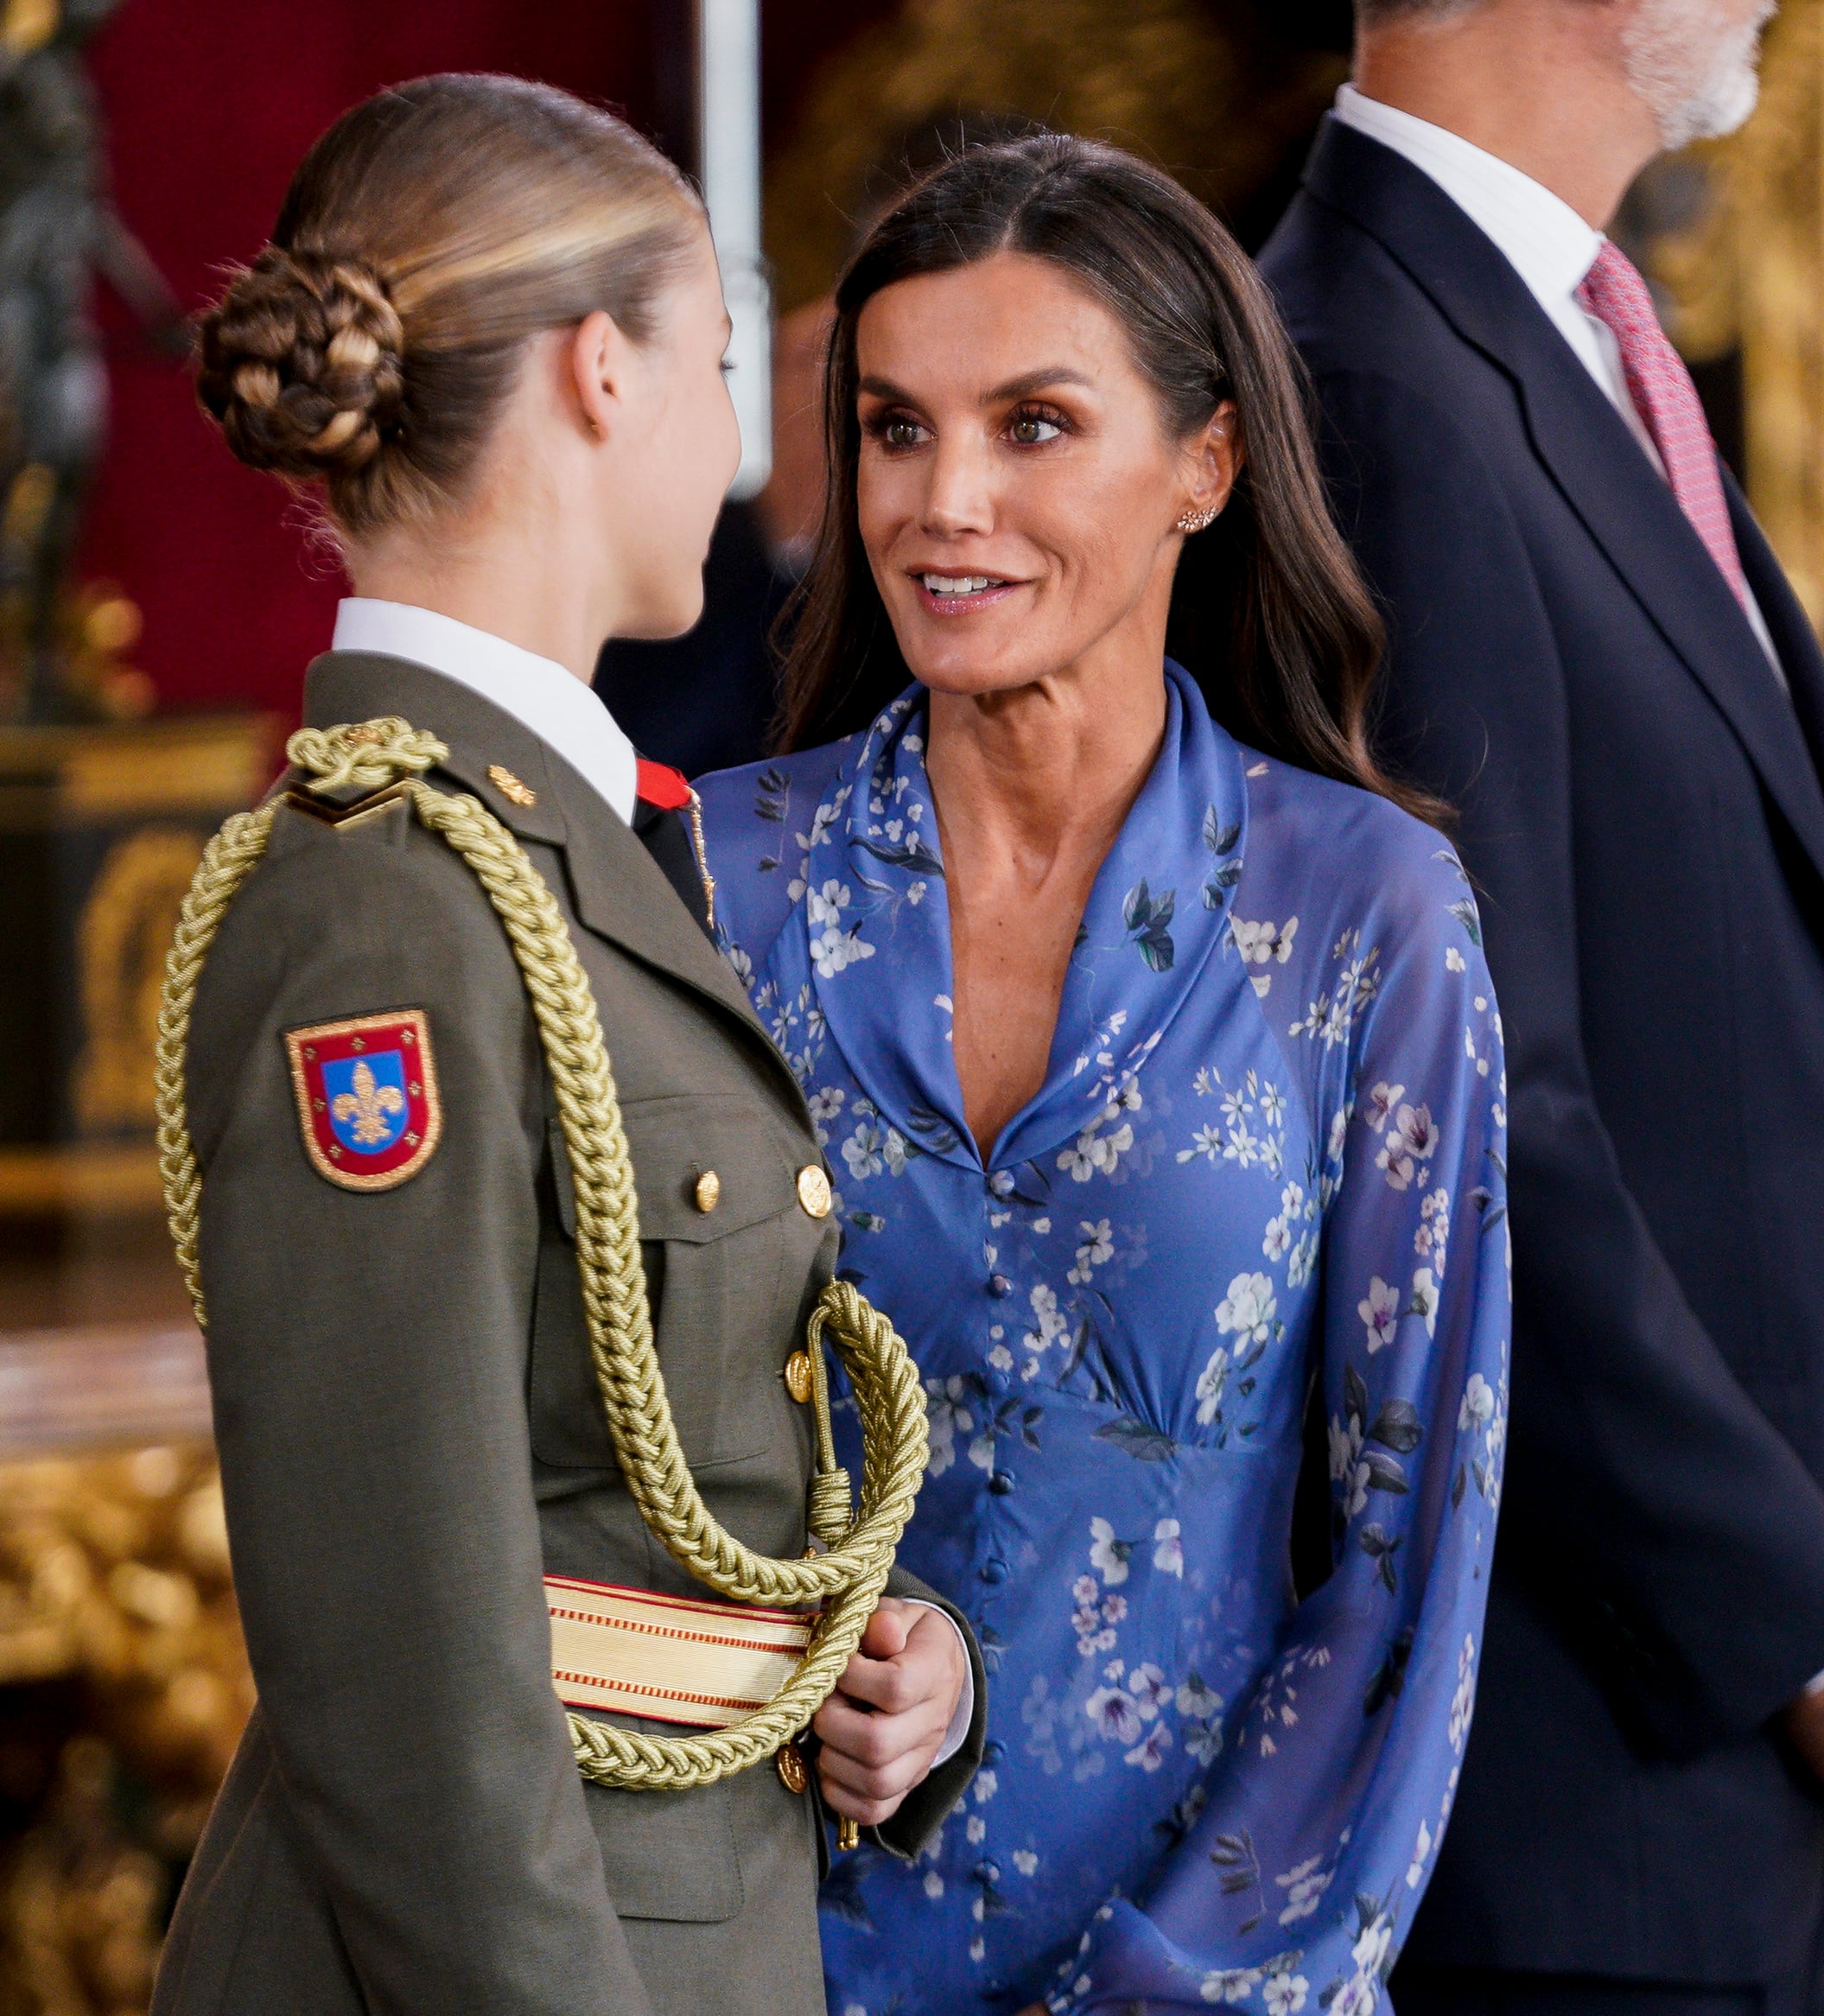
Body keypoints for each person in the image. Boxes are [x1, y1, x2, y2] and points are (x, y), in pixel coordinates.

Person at [149, 74, 982, 2016]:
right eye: (717, 356)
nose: (737, 436)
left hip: (683, 1911)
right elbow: (400, 1653)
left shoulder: (565, 841)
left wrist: (884, 1655)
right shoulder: (387, 897)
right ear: (604, 373)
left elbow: (635, 1468)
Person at [1254, 5, 1824, 2012]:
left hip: (1718, 1800)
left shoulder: (1565, 335)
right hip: (1583, 1809)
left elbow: (1780, 1034)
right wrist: (1810, 1628)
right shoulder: (1364, 374)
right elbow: (1471, 1127)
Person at [692, 133, 1511, 2016]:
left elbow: (1408, 1561)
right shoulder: (709, 884)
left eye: (1034, 426)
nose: (943, 502)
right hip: (761, 1954)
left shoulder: (1365, 915)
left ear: (1202, 468)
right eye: (895, 429)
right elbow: (600, 1463)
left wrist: (1196, 1988)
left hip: (1210, 1980)